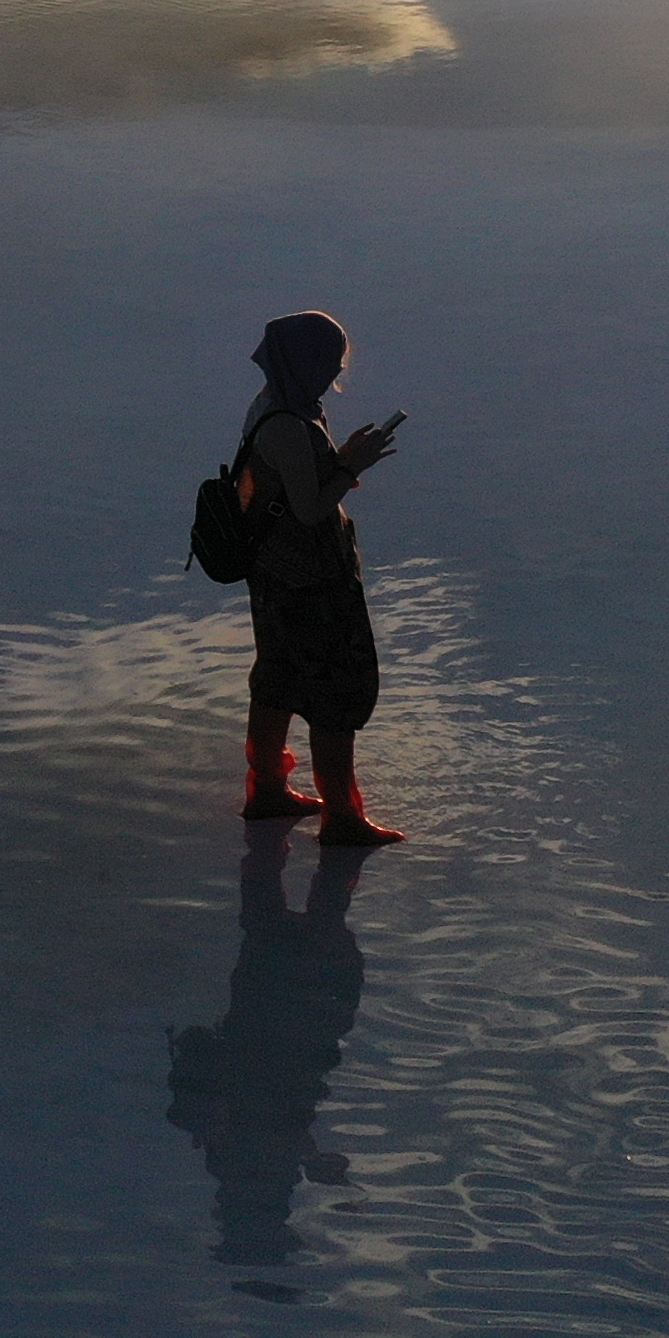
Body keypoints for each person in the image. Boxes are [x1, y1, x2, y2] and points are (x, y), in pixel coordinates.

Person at [232, 307, 403, 843]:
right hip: (308, 576)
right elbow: (308, 509)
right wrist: (355, 466)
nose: (335, 373)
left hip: (276, 571)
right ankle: (342, 816)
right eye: (328, 362)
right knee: (334, 689)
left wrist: (342, 456)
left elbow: (292, 487)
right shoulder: (287, 424)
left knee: (279, 677)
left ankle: (266, 790)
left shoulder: (279, 408)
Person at [166, 825, 363, 1263]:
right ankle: (288, 831)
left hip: (283, 1030)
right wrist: (314, 1161)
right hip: (285, 1032)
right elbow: (278, 1124)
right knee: (280, 917)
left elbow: (275, 1124)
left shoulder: (236, 1165)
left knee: (288, 918)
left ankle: (285, 828)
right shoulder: (240, 1166)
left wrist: (313, 1160)